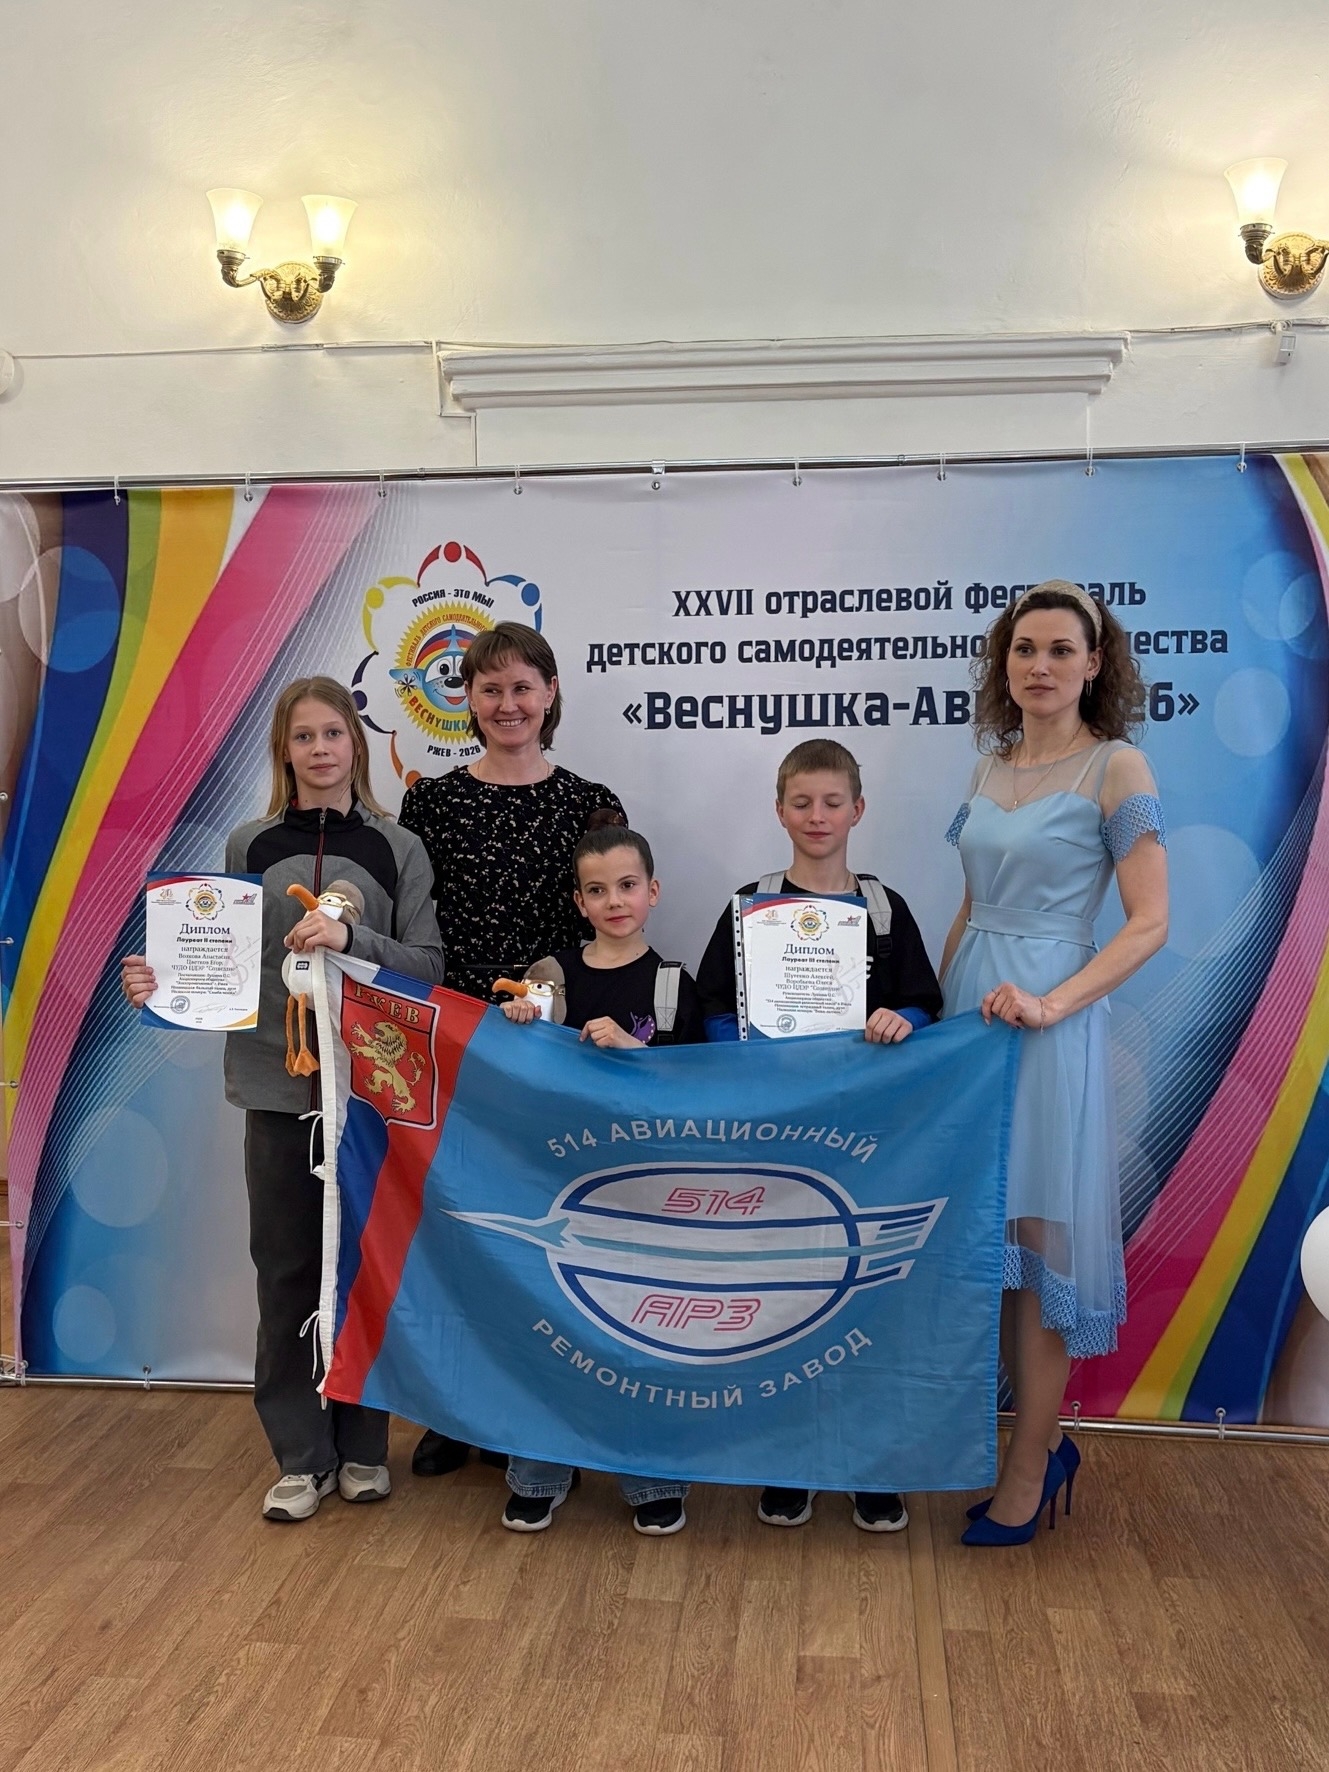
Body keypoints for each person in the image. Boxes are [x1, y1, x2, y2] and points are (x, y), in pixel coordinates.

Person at [121, 677, 445, 1522]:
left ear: (355, 744)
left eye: (333, 733)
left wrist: (351, 937)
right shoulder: (249, 844)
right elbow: (214, 968)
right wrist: (159, 984)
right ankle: (301, 1458)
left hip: (367, 1095)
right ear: (284, 751)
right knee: (287, 1272)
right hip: (275, 1090)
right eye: (304, 737)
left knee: (363, 1270)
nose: (320, 749)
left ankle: (364, 1447)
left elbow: (427, 966)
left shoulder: (398, 847)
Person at [940, 580, 1168, 1546]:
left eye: (1060, 649)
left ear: (1094, 663)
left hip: (1048, 1022)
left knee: (1036, 1249)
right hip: (974, 1022)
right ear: (1003, 663)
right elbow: (969, 908)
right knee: (988, 1246)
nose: (1039, 665)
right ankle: (1026, 1445)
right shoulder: (986, 766)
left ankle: (1032, 1466)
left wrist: (1051, 1005)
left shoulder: (1118, 766)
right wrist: (939, 1024)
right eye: (1023, 649)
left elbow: (1150, 923)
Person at [695, 737, 943, 1532]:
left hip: (866, 1142)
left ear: (857, 810)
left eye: (832, 802)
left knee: (866, 1299)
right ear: (779, 810)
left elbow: (926, 1002)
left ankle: (871, 1464)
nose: (816, 816)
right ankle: (789, 1460)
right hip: (776, 1139)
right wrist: (748, 1048)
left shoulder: (883, 909)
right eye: (801, 802)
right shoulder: (749, 903)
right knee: (784, 1298)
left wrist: (900, 1020)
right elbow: (709, 1007)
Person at [398, 620, 626, 1476]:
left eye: (522, 686)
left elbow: (609, 932)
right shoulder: (430, 804)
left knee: (546, 1226)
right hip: (456, 1041)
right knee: (461, 1226)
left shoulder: (590, 804)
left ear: (550, 693)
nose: (506, 704)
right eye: (489, 688)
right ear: (466, 698)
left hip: (554, 1046)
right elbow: (411, 929)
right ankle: (458, 1409)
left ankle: (545, 1404)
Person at [496, 823, 704, 1535]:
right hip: (557, 1182)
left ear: (653, 891)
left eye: (627, 886)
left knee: (644, 1330)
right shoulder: (548, 975)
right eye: (597, 889)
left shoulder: (674, 983)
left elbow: (704, 1090)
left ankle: (653, 1475)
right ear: (579, 902)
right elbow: (517, 1069)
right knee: (550, 1323)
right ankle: (540, 1468)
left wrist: (633, 1052)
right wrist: (519, 1024)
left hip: (646, 1193)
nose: (614, 901)